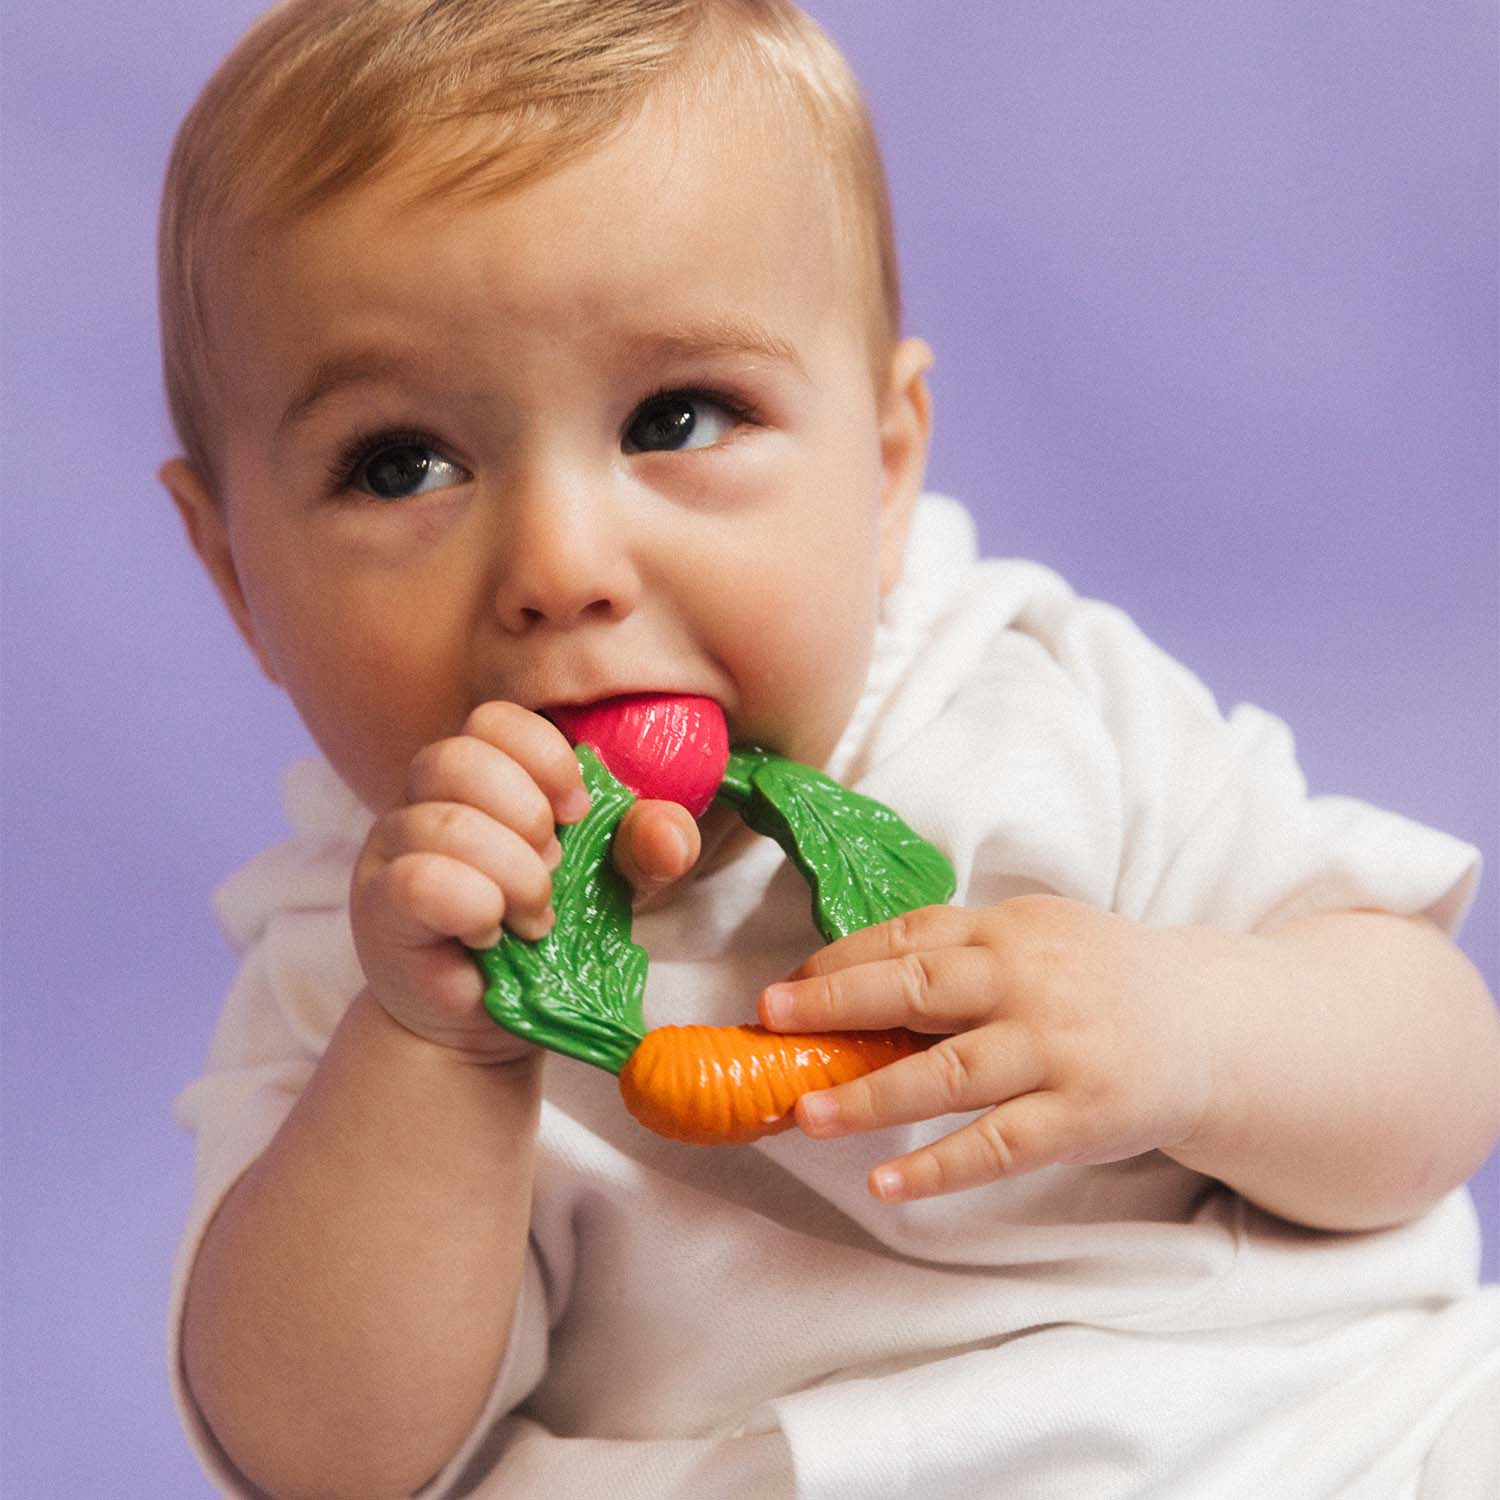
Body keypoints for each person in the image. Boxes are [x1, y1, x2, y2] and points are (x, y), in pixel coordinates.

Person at [157, 2, 1500, 1496]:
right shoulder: (370, 956)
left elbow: (1438, 1077)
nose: (563, 560)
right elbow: (322, 1461)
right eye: (400, 464)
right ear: (237, 579)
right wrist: (430, 1054)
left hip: (1304, 1432)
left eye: (677, 415)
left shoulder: (1031, 702)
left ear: (885, 466)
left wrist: (1189, 1028)